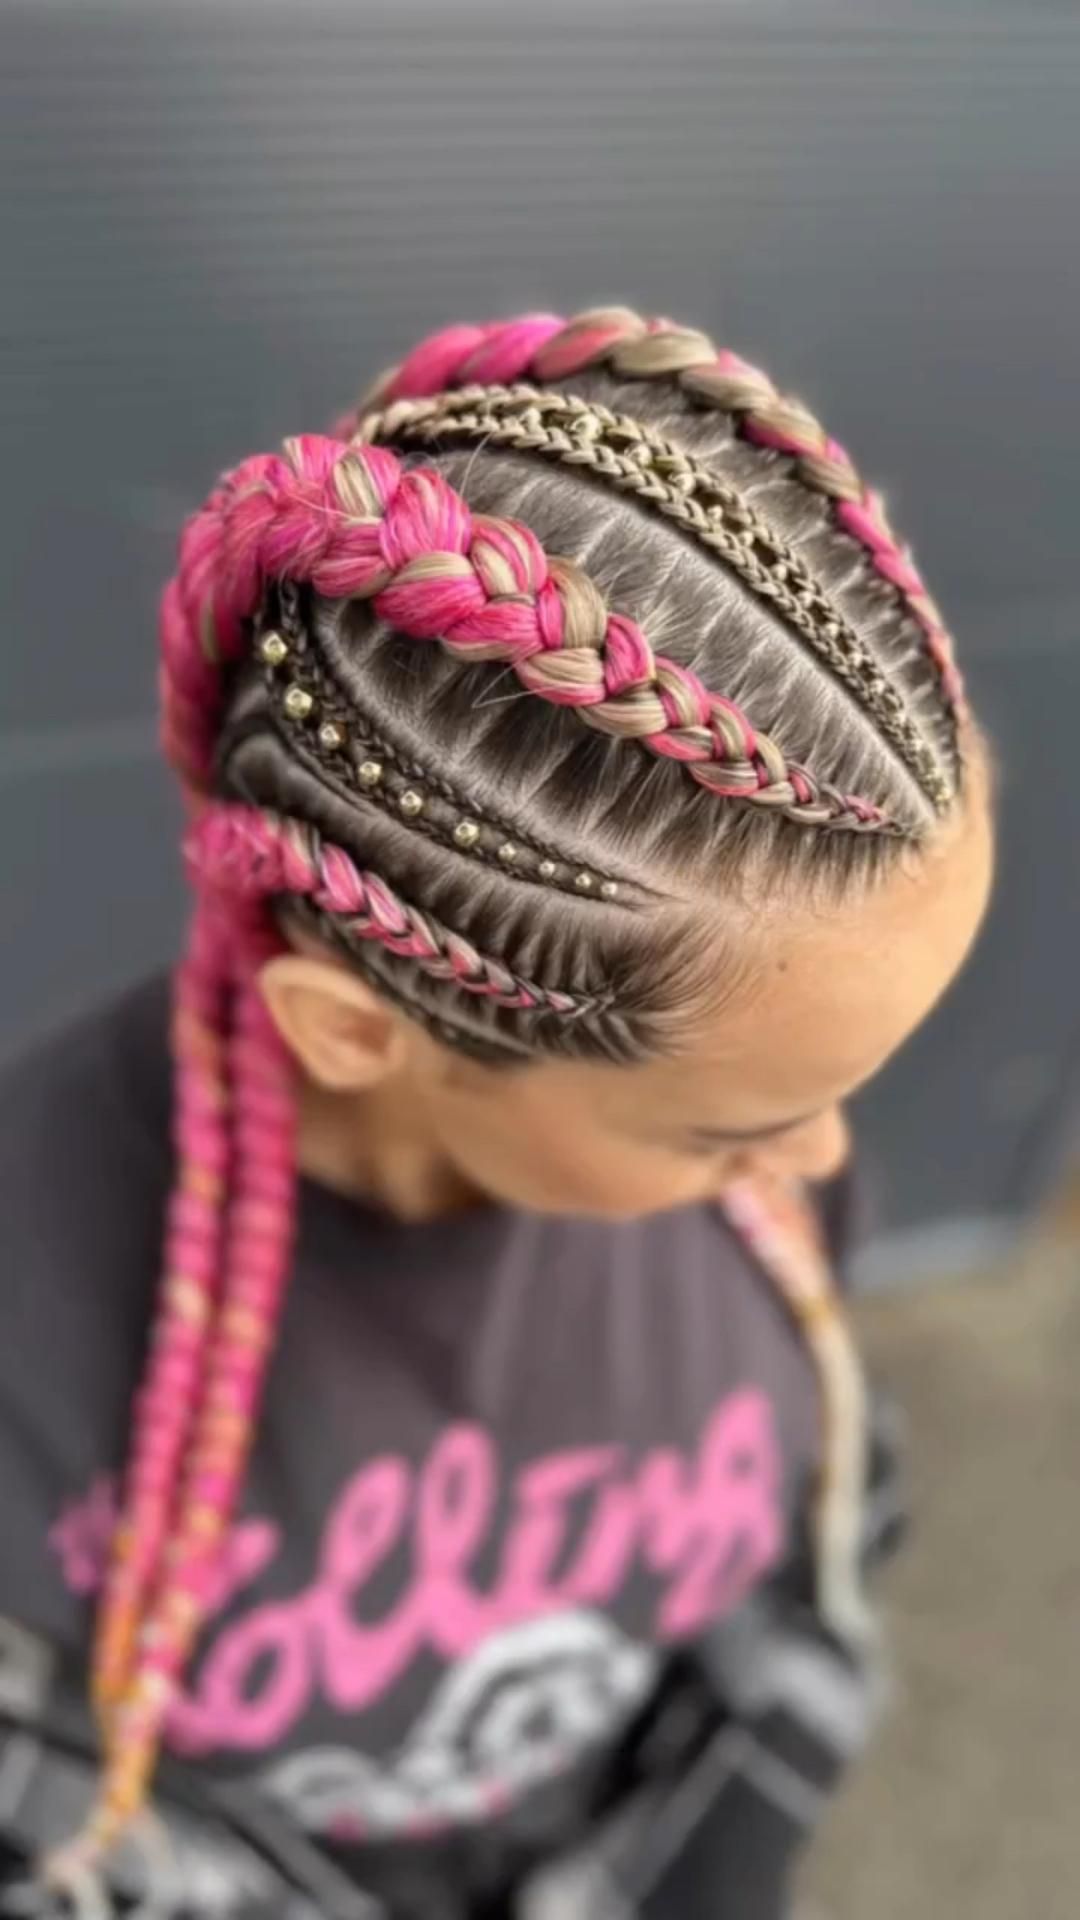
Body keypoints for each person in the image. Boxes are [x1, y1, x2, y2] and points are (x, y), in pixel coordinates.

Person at [0, 308, 992, 1919]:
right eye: (726, 1127)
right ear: (355, 1032)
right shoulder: (33, 1355)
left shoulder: (760, 1220)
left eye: (843, 1096)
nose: (823, 1166)